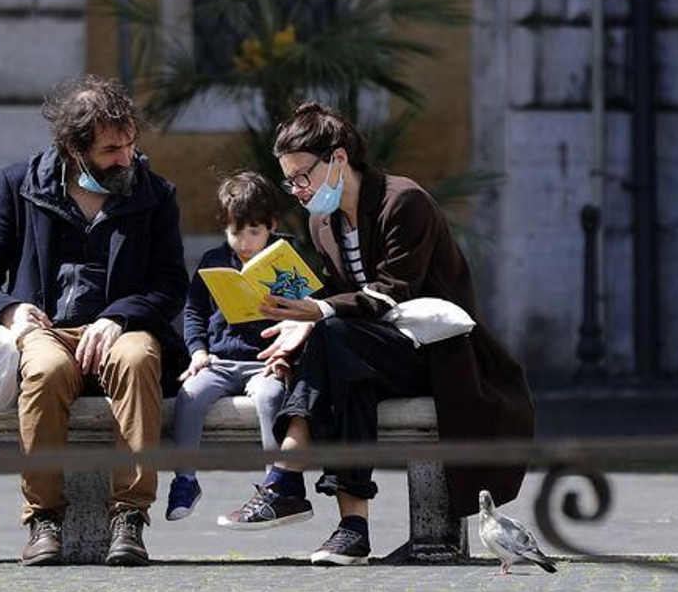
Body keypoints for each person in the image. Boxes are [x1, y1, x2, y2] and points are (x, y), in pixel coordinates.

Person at [223, 100, 535, 565]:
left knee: (334, 340)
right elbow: (340, 295)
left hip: (434, 355)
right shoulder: (321, 223)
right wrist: (297, 323)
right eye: (291, 181)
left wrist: (316, 312)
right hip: (364, 353)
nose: (299, 189)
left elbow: (392, 291)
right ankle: (352, 531)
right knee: (341, 359)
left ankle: (288, 478)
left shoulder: (403, 201)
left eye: (303, 175)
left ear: (339, 158)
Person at [0, 74, 188, 567]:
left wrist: (118, 317)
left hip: (120, 328)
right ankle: (43, 519)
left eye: (130, 145)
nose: (125, 158)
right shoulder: (17, 185)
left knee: (139, 357)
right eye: (110, 150)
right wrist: (10, 311)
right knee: (45, 371)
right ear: (73, 148)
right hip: (44, 329)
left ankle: (129, 517)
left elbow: (171, 283)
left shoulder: (155, 193)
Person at [167, 172, 305, 525]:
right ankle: (185, 479)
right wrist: (197, 352)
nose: (243, 241)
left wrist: (285, 356)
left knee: (271, 398)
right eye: (234, 232)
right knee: (191, 394)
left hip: (264, 362)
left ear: (272, 225)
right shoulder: (214, 260)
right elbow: (195, 310)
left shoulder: (286, 263)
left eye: (253, 232)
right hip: (219, 360)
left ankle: (275, 484)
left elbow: (306, 315)